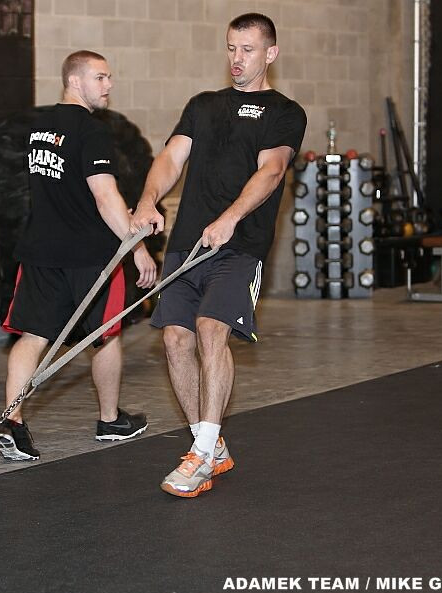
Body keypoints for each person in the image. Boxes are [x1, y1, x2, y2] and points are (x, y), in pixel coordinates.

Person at [131, 13, 307, 496]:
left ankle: (201, 456)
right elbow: (170, 158)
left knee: (212, 331)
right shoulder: (203, 105)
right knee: (174, 341)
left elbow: (271, 171)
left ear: (270, 53)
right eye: (231, 48)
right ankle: (210, 444)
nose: (237, 59)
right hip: (187, 244)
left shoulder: (285, 112)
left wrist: (231, 217)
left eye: (248, 50)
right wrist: (148, 199)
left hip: (240, 246)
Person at [0, 50, 157, 461]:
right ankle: (109, 420)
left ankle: (13, 422)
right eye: (100, 78)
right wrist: (138, 249)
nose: (108, 86)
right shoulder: (92, 131)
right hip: (90, 255)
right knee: (105, 336)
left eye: (109, 78)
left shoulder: (39, 129)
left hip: (42, 250)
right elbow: (106, 197)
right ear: (75, 81)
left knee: (33, 335)